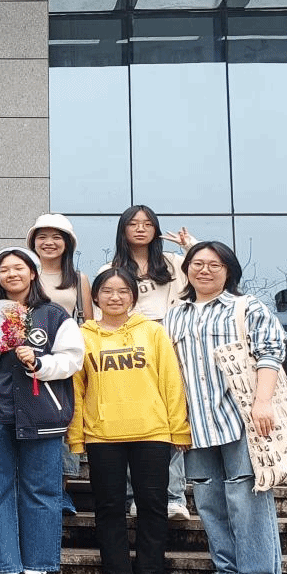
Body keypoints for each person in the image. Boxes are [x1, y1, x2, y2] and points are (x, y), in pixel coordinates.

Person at [164, 241, 287, 574]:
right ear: (186, 270)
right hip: (197, 423)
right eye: (197, 263)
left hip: (241, 418)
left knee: (246, 495)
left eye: (214, 264)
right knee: (208, 499)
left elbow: (270, 352)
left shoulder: (246, 307)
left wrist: (262, 402)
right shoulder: (174, 314)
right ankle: (228, 570)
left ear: (228, 270)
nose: (204, 270)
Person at [69, 267, 190, 574]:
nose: (115, 297)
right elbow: (76, 389)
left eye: (123, 291)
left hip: (152, 432)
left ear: (133, 297)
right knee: (109, 508)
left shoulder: (152, 332)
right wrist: (76, 436)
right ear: (95, 297)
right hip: (102, 434)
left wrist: (179, 429)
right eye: (107, 291)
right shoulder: (82, 335)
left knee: (153, 506)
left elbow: (171, 381)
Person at [0, 249, 83, 574]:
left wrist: (40, 363)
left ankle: (37, 568)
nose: (11, 274)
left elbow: (73, 359)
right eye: (3, 269)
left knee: (43, 491)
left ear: (33, 273)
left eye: (18, 267)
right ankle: (4, 568)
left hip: (42, 412)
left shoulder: (53, 315)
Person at [104, 204, 196, 521]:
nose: (141, 228)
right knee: (134, 419)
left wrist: (189, 246)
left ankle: (173, 496)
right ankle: (136, 497)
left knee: (170, 417)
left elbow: (207, 270)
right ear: (123, 230)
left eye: (147, 223)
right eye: (133, 223)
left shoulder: (173, 263)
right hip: (130, 348)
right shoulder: (112, 267)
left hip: (170, 341)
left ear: (155, 229)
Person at [28, 213, 94, 517]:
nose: (49, 243)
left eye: (56, 237)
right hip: (30, 359)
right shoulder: (27, 272)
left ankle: (61, 490)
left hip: (66, 360)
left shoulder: (79, 279)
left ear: (68, 243)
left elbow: (88, 323)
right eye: (42, 237)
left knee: (67, 422)